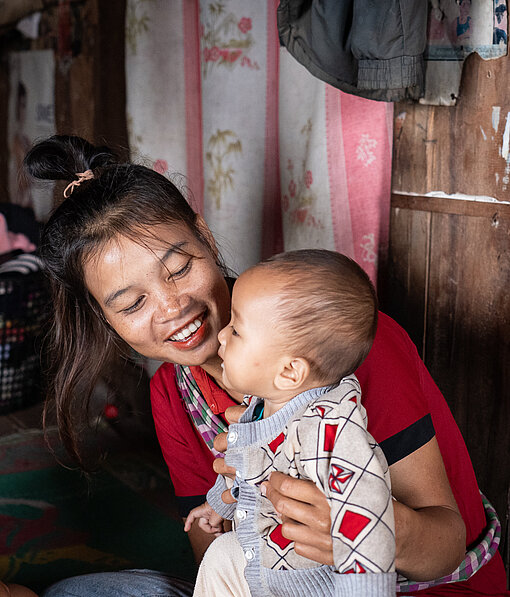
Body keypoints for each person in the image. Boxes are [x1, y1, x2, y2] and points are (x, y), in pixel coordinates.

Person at [21, 135, 507, 597]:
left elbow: (445, 547)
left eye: (180, 269)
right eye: (131, 305)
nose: (172, 309)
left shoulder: (340, 347)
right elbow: (218, 556)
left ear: (205, 237)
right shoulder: (173, 392)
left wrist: (355, 524)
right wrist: (247, 488)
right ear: (104, 317)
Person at [184, 250, 396, 596]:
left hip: (314, 585)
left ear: (289, 372)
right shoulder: (261, 406)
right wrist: (217, 505)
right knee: (221, 554)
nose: (221, 336)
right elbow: (243, 469)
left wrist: (366, 589)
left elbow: (367, 514)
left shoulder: (330, 429)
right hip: (266, 570)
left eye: (236, 331)